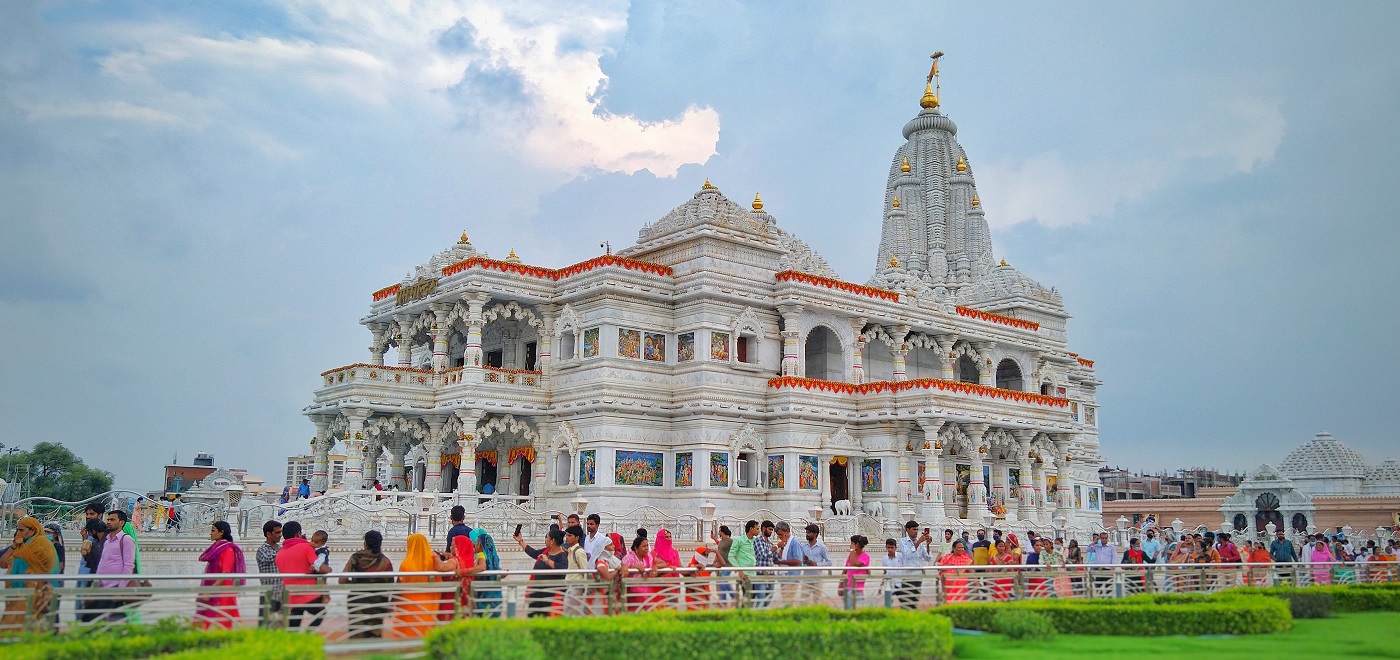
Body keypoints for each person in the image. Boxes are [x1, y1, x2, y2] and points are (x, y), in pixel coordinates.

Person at [390, 533, 453, 638]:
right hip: (428, 601)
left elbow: (399, 584)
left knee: (410, 628)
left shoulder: (406, 563)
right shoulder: (433, 561)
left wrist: (393, 600)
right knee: (425, 626)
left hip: (409, 602)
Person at [0, 517, 58, 631]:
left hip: (35, 593)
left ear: (32, 530)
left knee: (29, 627)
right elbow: (2, 563)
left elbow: (48, 567)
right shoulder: (20, 545)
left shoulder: (42, 543)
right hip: (16, 594)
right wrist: (13, 546)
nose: (18, 533)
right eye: (17, 530)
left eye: (21, 530)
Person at [276, 521, 330, 630]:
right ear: (298, 534)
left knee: (294, 626)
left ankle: (296, 643)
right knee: (321, 613)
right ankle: (308, 636)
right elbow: (319, 567)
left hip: (291, 596)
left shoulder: (279, 553)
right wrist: (328, 569)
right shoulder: (305, 547)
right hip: (310, 594)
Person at [341, 530, 393, 639]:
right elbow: (390, 586)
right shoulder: (385, 562)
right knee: (374, 636)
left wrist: (355, 585)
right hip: (377, 603)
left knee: (356, 635)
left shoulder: (356, 557)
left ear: (365, 543)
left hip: (357, 601)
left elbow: (342, 580)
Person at [196, 520, 245, 630]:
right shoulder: (216, 548)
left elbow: (226, 573)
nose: (211, 533)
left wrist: (210, 591)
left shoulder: (227, 549)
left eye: (213, 530)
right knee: (208, 616)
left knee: (222, 619)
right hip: (215, 587)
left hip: (223, 590)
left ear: (221, 532)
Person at [95, 509, 138, 621]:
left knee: (114, 620)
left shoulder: (126, 540)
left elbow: (129, 566)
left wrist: (121, 590)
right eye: (108, 519)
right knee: (101, 620)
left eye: (112, 519)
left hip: (115, 587)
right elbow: (103, 563)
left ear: (121, 522)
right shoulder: (107, 540)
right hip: (103, 587)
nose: (108, 522)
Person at [515, 528, 568, 617]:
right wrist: (521, 541)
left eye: (547, 537)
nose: (545, 540)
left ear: (552, 541)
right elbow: (534, 553)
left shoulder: (562, 556)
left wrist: (547, 561)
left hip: (549, 596)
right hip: (536, 593)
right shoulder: (546, 551)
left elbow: (562, 570)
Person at [893, 520, 932, 609]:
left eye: (917, 529)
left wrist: (928, 545)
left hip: (918, 575)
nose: (916, 531)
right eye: (914, 529)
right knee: (906, 599)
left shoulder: (920, 544)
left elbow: (928, 558)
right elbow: (908, 555)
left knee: (915, 599)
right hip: (907, 575)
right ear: (907, 530)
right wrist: (918, 543)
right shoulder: (903, 541)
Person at [76, 518, 107, 622]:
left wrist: (86, 550)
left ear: (93, 531)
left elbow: (92, 561)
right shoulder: (104, 541)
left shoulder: (100, 544)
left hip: (98, 581)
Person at [467, 529, 503, 616]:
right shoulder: (494, 557)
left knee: (483, 616)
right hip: (496, 594)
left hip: (484, 593)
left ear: (479, 544)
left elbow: (482, 567)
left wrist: (465, 571)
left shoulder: (481, 555)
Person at [255, 520, 283, 626]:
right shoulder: (262, 550)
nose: (280, 535)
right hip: (269, 593)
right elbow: (271, 558)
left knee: (281, 624)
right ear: (268, 534)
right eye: (277, 532)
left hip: (282, 594)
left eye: (280, 532)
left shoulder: (280, 548)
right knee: (265, 624)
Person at [622, 534, 658, 611]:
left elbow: (662, 563)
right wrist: (634, 567)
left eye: (647, 546)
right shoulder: (628, 558)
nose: (646, 548)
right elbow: (623, 568)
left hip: (647, 590)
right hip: (633, 592)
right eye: (644, 546)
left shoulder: (649, 557)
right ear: (636, 548)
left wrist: (655, 567)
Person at [561, 525, 590, 616]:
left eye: (570, 536)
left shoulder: (579, 552)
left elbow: (585, 571)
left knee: (570, 612)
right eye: (567, 535)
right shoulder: (571, 551)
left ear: (577, 537)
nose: (567, 538)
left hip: (577, 586)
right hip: (571, 585)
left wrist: (585, 590)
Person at [842, 535, 870, 605]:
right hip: (848, 587)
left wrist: (852, 550)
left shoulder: (865, 557)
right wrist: (841, 585)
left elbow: (853, 564)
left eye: (852, 543)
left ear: (856, 545)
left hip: (857, 589)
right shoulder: (851, 555)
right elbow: (845, 570)